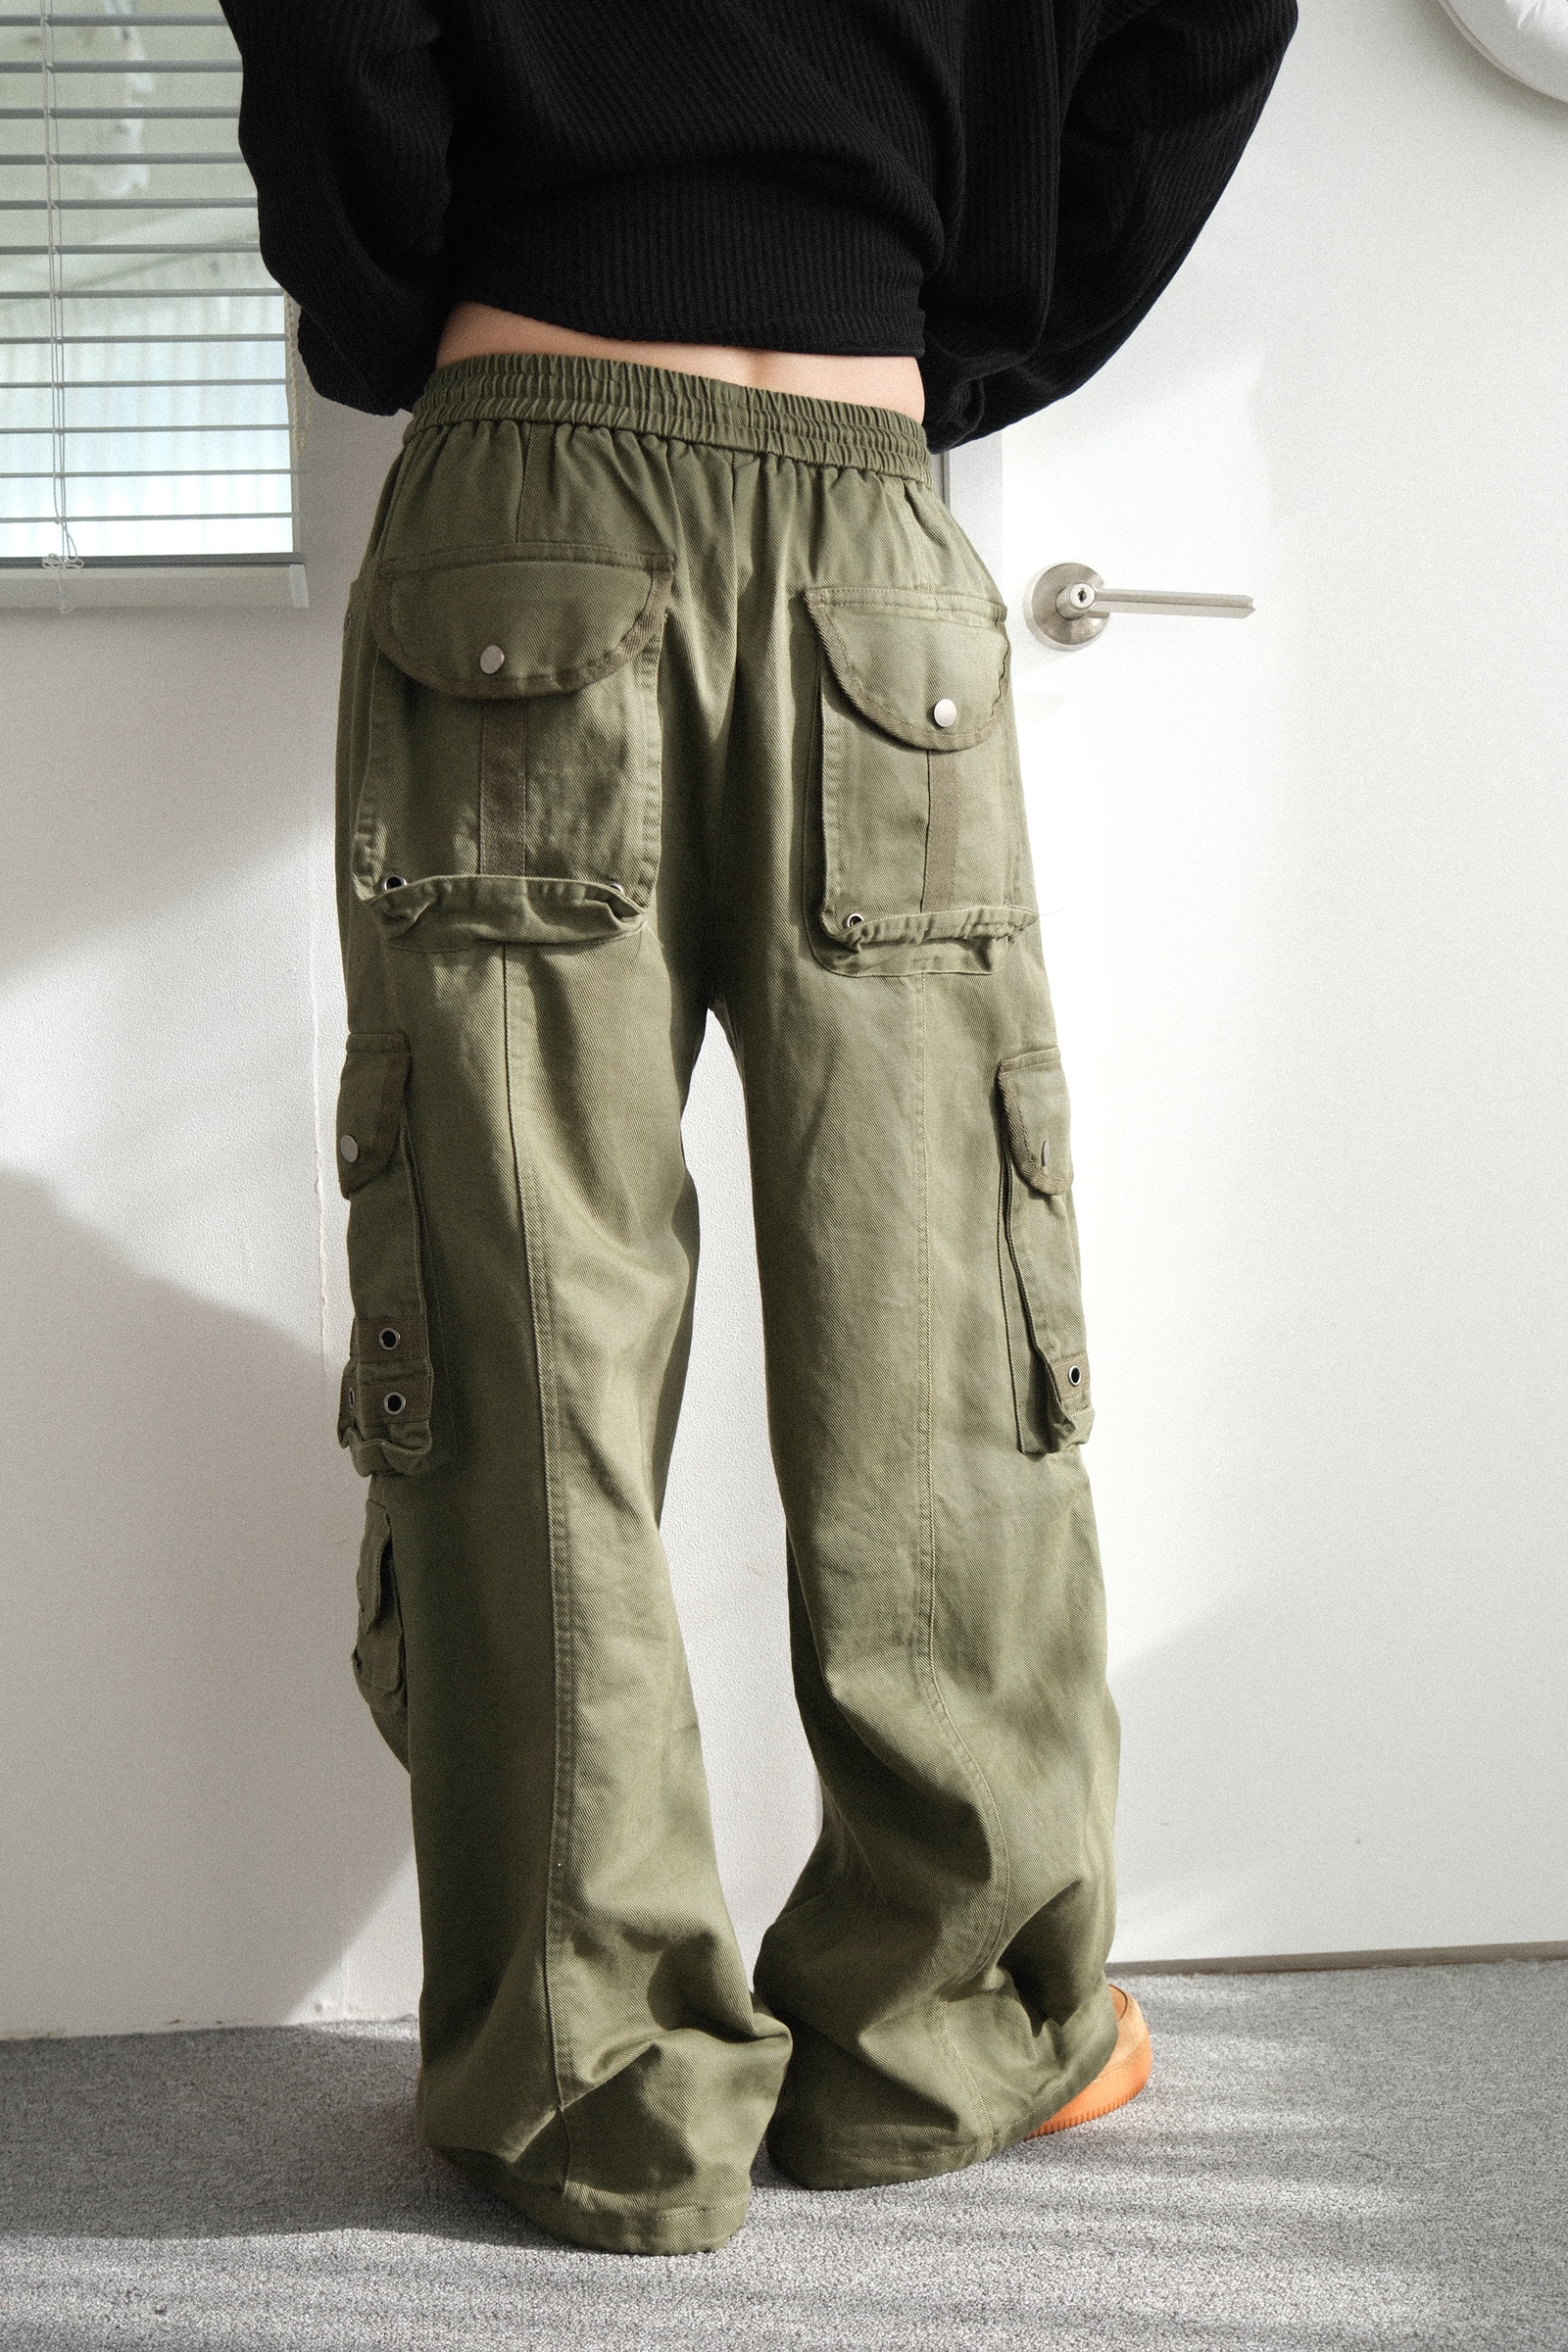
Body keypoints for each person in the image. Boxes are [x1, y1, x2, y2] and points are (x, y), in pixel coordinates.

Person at [220, 0, 1297, 2257]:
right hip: (867, 513)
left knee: (522, 1314)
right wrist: (954, 326)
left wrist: (405, 293)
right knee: (938, 1314)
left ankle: (589, 2078)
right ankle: (942, 2030)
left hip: (522, 479)